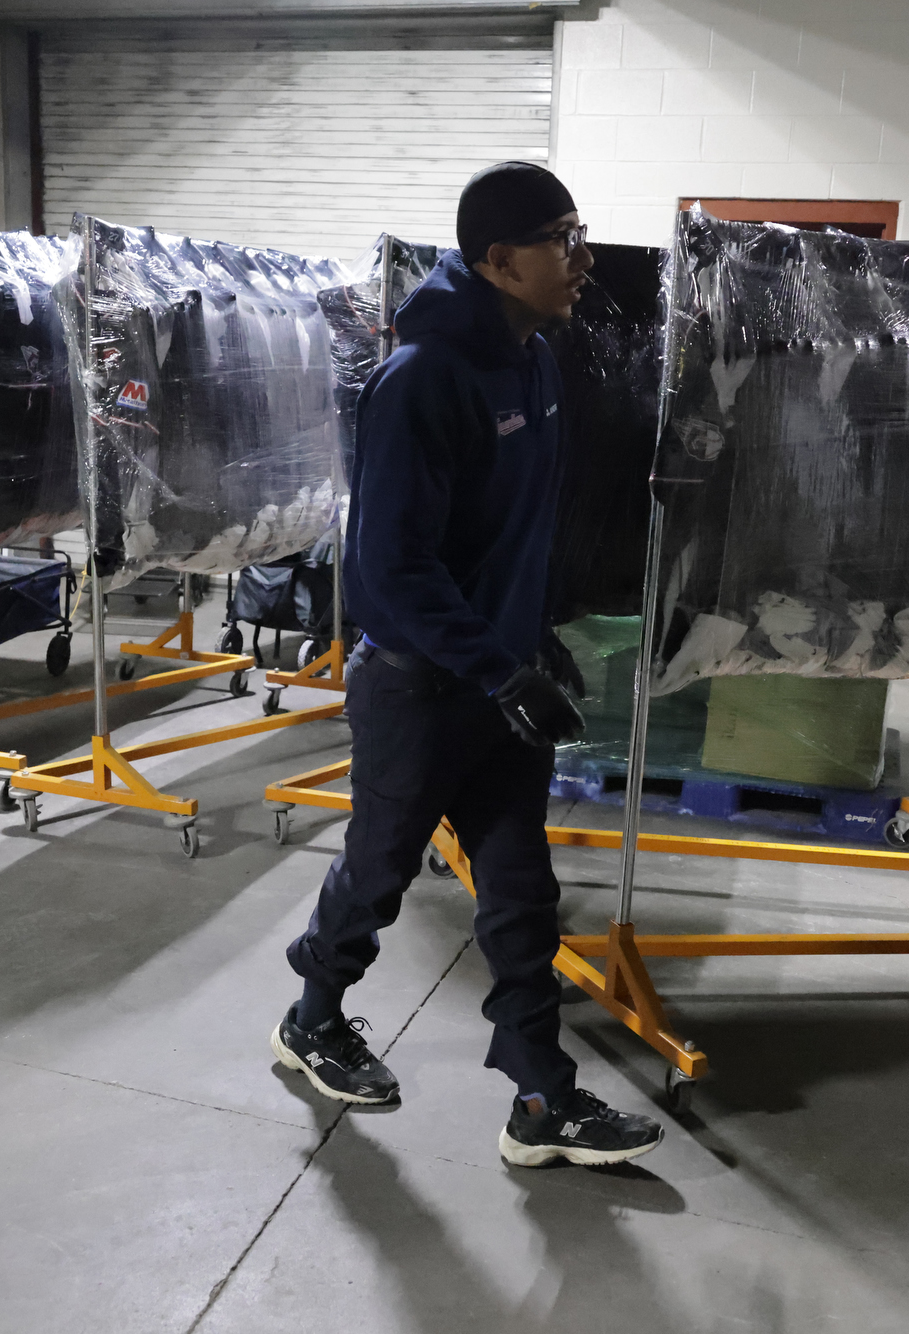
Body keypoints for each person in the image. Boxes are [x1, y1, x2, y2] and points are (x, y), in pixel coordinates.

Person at [274, 162, 663, 1168]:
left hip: (500, 678)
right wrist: (496, 666)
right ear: (498, 261)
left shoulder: (533, 358)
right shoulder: (420, 380)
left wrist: (533, 645)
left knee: (519, 888)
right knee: (377, 872)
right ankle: (311, 1014)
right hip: (419, 684)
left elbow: (516, 533)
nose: (580, 259)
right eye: (560, 240)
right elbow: (387, 570)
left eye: (579, 233)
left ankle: (541, 1094)